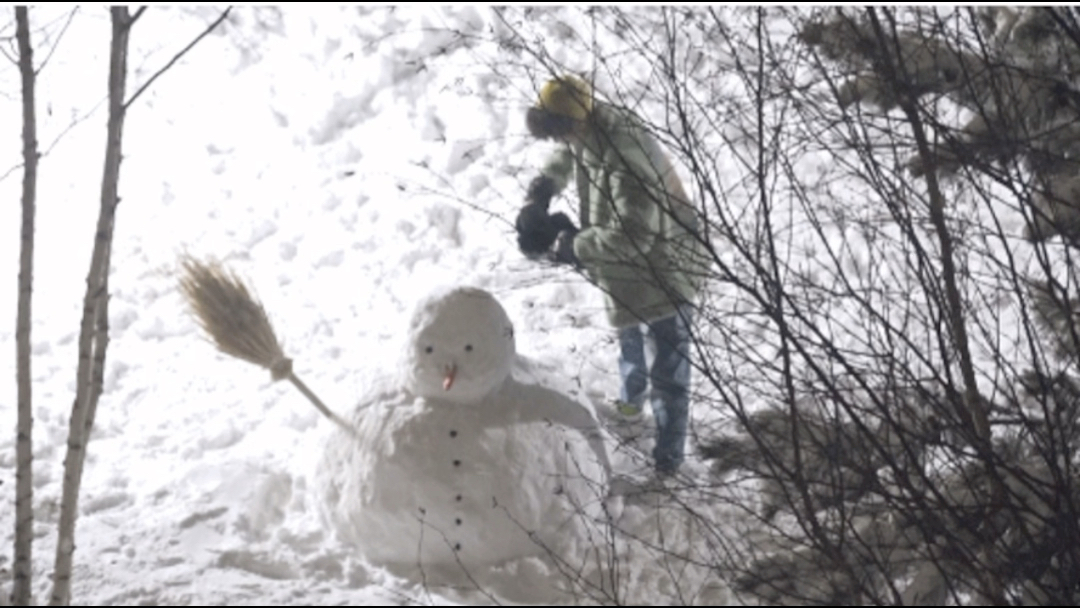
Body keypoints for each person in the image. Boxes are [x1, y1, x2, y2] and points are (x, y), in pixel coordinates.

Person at [515, 74, 707, 478]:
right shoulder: (595, 125)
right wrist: (542, 190)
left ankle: (668, 462)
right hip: (630, 267)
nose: (560, 142)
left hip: (667, 267)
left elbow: (634, 236)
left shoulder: (624, 162)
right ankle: (631, 403)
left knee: (669, 368)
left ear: (577, 124)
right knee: (629, 329)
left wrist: (572, 246)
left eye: (562, 133)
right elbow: (570, 155)